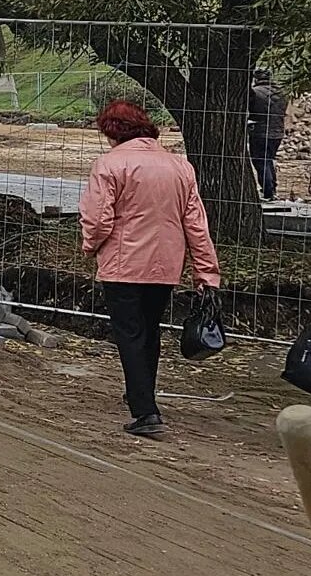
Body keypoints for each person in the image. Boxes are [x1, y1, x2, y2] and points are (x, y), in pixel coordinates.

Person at [79, 100, 222, 437]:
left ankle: (146, 412)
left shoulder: (109, 164)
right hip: (166, 265)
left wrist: (89, 246)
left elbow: (99, 219)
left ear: (112, 132)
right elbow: (196, 225)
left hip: (122, 264)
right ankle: (141, 392)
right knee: (150, 330)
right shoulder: (180, 167)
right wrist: (206, 272)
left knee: (129, 334)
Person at [249, 68, 287, 201]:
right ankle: (272, 189)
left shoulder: (255, 93)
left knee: (260, 161)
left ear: (256, 79)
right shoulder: (282, 93)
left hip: (259, 132)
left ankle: (267, 192)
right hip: (278, 133)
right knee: (268, 159)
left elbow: (252, 111)